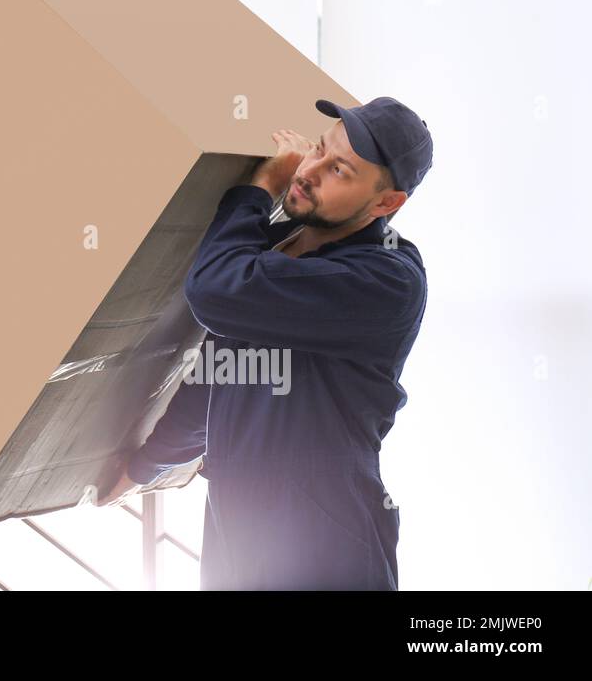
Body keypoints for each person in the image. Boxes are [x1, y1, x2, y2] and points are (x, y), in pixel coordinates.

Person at [98, 96, 433, 589]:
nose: (309, 169)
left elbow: (212, 291)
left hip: (326, 549)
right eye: (319, 148)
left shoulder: (386, 280)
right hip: (237, 540)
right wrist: (141, 469)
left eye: (339, 169)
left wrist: (261, 187)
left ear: (386, 203)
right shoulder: (280, 247)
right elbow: (219, 376)